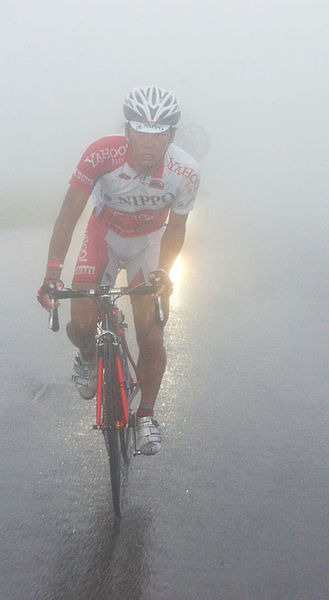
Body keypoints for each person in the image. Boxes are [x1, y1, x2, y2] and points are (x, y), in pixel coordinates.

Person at [37, 85, 200, 455]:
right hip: (104, 235)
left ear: (171, 136)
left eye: (158, 134)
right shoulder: (101, 153)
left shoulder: (185, 171)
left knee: (152, 336)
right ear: (126, 130)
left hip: (149, 241)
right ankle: (88, 355)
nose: (148, 142)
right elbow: (69, 214)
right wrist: (52, 272)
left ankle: (145, 415)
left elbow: (177, 227)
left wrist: (164, 271)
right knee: (80, 323)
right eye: (140, 131)